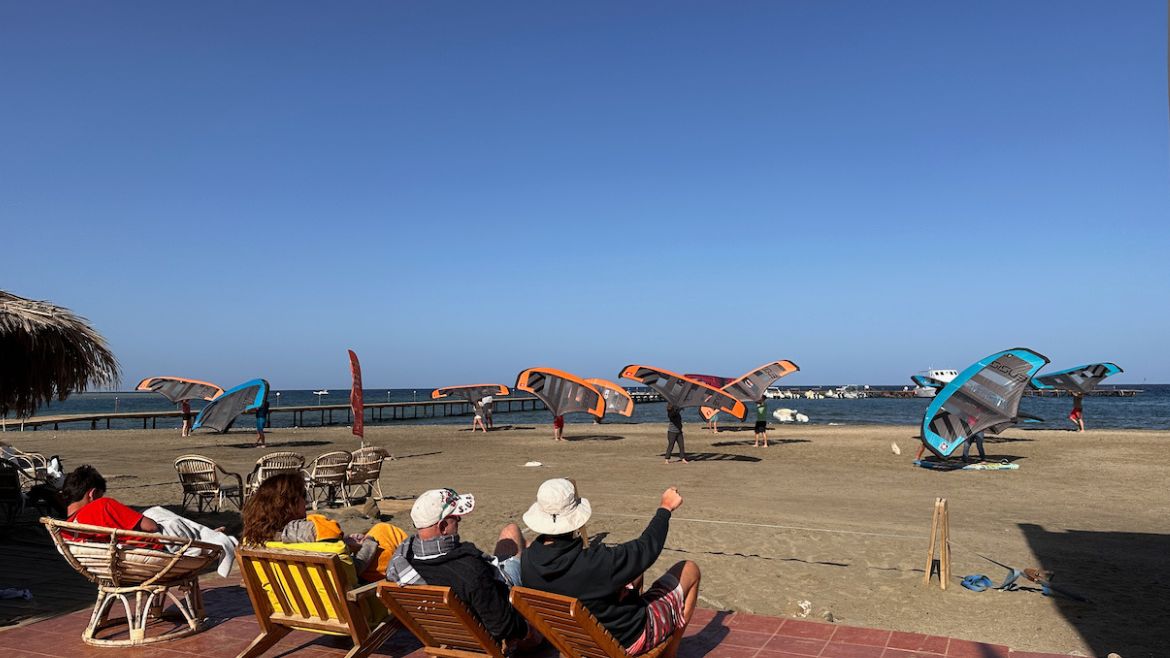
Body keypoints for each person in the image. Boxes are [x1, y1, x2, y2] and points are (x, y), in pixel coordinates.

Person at [520, 479, 701, 658]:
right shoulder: (595, 562)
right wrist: (665, 508)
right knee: (689, 569)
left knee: (634, 574)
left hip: (576, 642)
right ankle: (670, 653)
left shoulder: (528, 561)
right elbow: (646, 548)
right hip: (626, 640)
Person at [386, 488, 537, 649]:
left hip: (445, 634)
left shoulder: (403, 562)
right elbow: (502, 627)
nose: (460, 520)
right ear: (443, 526)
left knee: (524, 545)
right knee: (513, 532)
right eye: (456, 518)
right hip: (481, 638)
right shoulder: (469, 569)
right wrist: (528, 631)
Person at [61, 465, 238, 577]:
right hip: (149, 555)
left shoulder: (64, 529)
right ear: (92, 494)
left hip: (108, 565)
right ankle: (214, 539)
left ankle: (208, 535)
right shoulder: (101, 506)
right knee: (156, 513)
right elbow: (150, 526)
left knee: (154, 514)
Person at [241, 472, 407, 583]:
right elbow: (352, 571)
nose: (306, 502)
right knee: (384, 531)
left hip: (299, 604)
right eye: (303, 497)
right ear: (289, 505)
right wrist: (369, 543)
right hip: (351, 606)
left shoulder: (256, 539)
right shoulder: (312, 530)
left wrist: (343, 544)